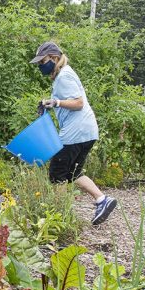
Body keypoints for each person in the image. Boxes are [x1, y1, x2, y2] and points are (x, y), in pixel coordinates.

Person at [30, 41, 117, 225]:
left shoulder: (64, 76)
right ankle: (102, 200)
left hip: (75, 132)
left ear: (53, 58)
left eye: (42, 61)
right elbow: (68, 99)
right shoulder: (63, 74)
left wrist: (57, 103)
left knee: (57, 173)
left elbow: (78, 103)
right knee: (72, 173)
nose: (40, 66)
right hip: (87, 131)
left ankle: (58, 216)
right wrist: (50, 102)